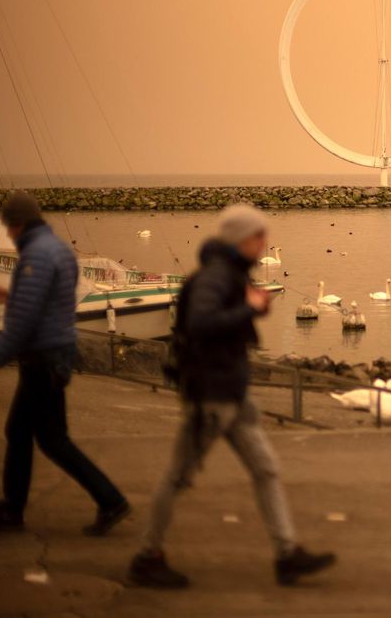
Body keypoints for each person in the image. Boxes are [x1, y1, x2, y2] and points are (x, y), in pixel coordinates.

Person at [128, 204, 334, 588]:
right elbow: (201, 324)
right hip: (210, 397)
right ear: (242, 239)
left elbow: (227, 321)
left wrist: (250, 307)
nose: (265, 243)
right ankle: (147, 556)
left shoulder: (232, 274)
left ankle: (287, 554)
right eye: (260, 236)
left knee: (266, 469)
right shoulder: (215, 278)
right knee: (177, 478)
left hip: (233, 395)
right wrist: (248, 308)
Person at [0, 191, 130, 536]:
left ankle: (110, 499)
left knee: (52, 439)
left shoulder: (37, 255)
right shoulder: (59, 250)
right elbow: (51, 300)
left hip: (42, 357)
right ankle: (11, 509)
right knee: (20, 432)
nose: (9, 235)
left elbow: (27, 318)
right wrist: (12, 295)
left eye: (8, 227)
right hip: (56, 352)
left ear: (16, 224)